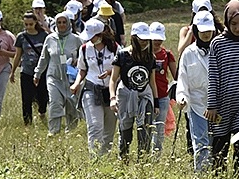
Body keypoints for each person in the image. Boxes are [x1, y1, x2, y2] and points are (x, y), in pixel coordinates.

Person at [205, 0, 239, 174]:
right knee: (220, 143)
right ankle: (219, 175)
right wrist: (212, 105)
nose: (238, 28)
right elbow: (213, 76)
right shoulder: (217, 43)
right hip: (222, 103)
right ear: (227, 22)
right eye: (234, 24)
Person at [109, 22, 159, 160]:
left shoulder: (150, 57)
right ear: (134, 37)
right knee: (125, 131)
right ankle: (123, 158)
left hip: (145, 96)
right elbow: (113, 79)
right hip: (125, 95)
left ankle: (143, 161)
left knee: (146, 130)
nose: (144, 42)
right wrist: (113, 98)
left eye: (146, 39)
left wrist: (156, 103)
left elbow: (152, 81)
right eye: (141, 39)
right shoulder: (122, 55)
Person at [70, 18, 119, 157]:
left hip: (111, 92)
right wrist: (77, 83)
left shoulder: (115, 48)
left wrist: (110, 72)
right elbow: (82, 70)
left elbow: (121, 69)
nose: (90, 40)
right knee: (95, 126)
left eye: (93, 37)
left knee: (109, 130)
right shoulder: (85, 49)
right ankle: (94, 159)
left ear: (101, 35)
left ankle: (105, 157)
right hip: (91, 90)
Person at [176, 11, 217, 171]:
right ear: (195, 31)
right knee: (200, 141)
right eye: (202, 30)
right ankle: (201, 173)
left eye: (209, 30)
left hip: (215, 105)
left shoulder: (218, 49)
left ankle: (215, 173)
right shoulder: (188, 53)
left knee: (215, 141)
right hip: (196, 104)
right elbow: (182, 78)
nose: (206, 34)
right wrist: (181, 96)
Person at [34, 13, 83, 136]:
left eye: (64, 22)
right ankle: (53, 130)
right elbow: (44, 58)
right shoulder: (50, 39)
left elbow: (84, 55)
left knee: (71, 104)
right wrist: (37, 73)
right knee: (55, 102)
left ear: (68, 23)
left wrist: (78, 61)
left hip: (70, 77)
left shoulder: (76, 39)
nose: (61, 25)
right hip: (53, 76)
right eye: (59, 22)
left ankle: (71, 131)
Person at [11, 12, 49, 125]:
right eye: (26, 24)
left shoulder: (44, 36)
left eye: (30, 24)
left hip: (42, 71)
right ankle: (27, 123)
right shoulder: (21, 37)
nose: (28, 27)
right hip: (26, 71)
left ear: (35, 23)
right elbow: (17, 55)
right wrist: (12, 72)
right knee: (26, 99)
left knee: (42, 97)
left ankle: (42, 112)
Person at [149, 21, 178, 155]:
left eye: (160, 39)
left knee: (159, 127)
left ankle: (156, 155)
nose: (157, 42)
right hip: (146, 95)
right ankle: (144, 153)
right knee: (145, 126)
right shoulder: (144, 54)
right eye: (155, 38)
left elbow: (176, 75)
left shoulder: (167, 54)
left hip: (162, 96)